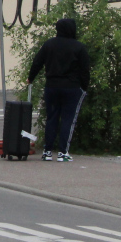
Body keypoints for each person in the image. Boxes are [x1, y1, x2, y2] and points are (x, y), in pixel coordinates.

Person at [27, 17, 91, 162]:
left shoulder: (49, 44)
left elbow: (37, 61)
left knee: (52, 118)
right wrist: (84, 87)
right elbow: (85, 70)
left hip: (52, 87)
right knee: (68, 119)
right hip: (72, 88)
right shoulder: (78, 47)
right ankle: (63, 152)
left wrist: (31, 77)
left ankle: (47, 151)